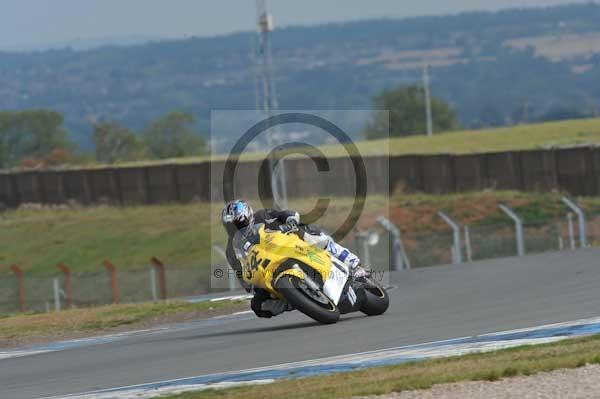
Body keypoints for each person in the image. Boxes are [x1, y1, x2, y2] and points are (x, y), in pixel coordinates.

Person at [221, 199, 368, 318]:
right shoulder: (231, 249)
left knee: (309, 233)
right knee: (258, 306)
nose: (235, 229)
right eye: (230, 227)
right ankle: (295, 300)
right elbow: (241, 274)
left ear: (249, 216)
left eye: (238, 223)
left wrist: (290, 219)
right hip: (269, 270)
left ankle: (352, 263)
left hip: (291, 244)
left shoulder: (263, 216)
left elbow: (285, 214)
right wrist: (252, 286)